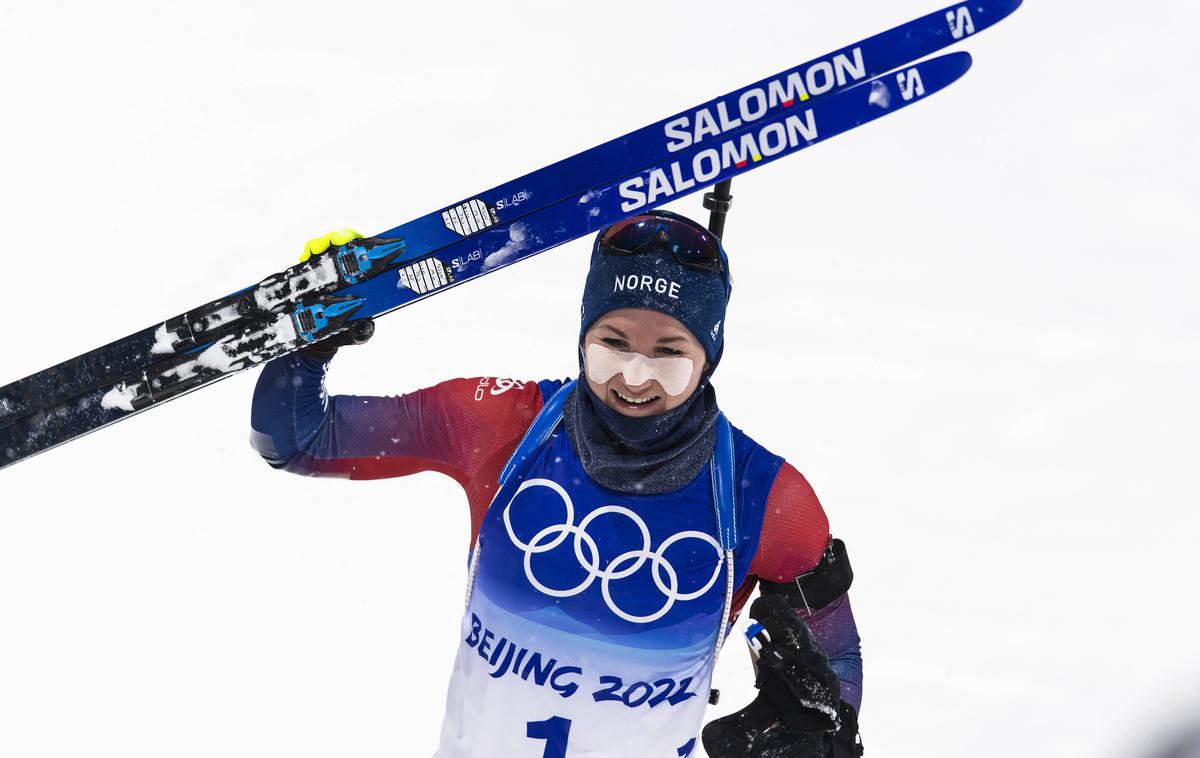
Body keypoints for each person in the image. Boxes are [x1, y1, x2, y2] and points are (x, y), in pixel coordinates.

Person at [250, 211, 864, 757]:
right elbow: (298, 439)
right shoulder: (498, 426)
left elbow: (834, 666)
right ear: (582, 337)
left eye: (670, 355)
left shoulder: (768, 500)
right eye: (611, 346)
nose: (634, 378)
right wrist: (309, 341)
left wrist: (822, 733)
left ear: (709, 357)